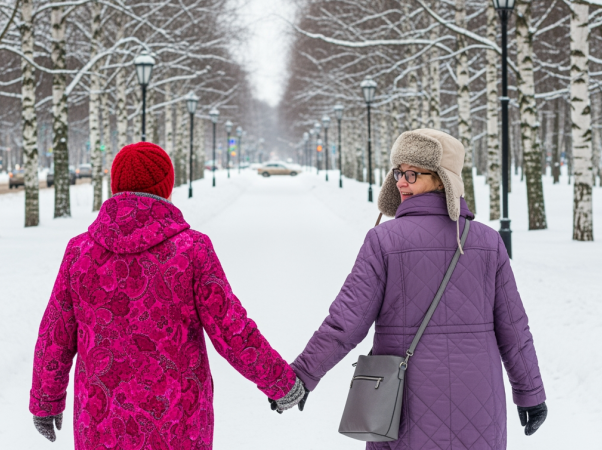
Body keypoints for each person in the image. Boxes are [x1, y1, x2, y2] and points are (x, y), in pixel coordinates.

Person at [29, 142, 306, 449]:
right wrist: (281, 382)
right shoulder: (192, 250)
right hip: (178, 422)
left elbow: (56, 334)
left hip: (100, 422)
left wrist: (46, 400)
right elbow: (232, 329)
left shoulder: (79, 252)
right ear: (166, 188)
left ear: (115, 187)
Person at [291, 129, 547, 449]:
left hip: (404, 404)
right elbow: (514, 327)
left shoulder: (384, 241)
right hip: (480, 402)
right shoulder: (487, 241)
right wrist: (530, 393)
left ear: (442, 179)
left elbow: (346, 321)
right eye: (398, 172)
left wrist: (301, 376)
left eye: (412, 174)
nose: (400, 182)